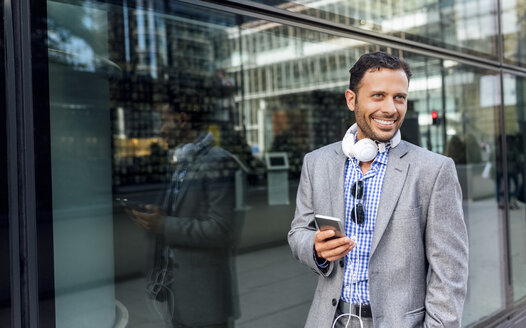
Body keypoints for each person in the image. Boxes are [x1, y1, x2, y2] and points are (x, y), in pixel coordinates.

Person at [288, 52, 468, 328]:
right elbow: (298, 232)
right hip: (329, 320)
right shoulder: (317, 163)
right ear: (352, 99)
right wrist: (315, 247)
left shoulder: (434, 170)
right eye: (378, 96)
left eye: (399, 97)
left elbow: (449, 272)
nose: (391, 109)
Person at [131, 103, 240, 328]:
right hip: (179, 294)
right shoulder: (184, 161)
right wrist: (163, 214)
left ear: (182, 120)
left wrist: (163, 224)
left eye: (164, 121)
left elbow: (220, 230)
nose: (161, 129)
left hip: (204, 300)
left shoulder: (217, 160)